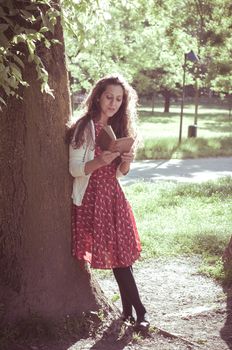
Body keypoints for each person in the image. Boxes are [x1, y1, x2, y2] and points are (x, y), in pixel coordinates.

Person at [67, 73, 149, 328]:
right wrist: (101, 160)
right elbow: (75, 169)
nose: (113, 103)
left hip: (113, 196)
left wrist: (126, 161)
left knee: (121, 255)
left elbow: (120, 173)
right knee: (120, 257)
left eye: (118, 99)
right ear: (98, 97)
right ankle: (142, 313)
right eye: (109, 97)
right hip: (93, 198)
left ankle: (128, 312)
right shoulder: (85, 127)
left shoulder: (120, 129)